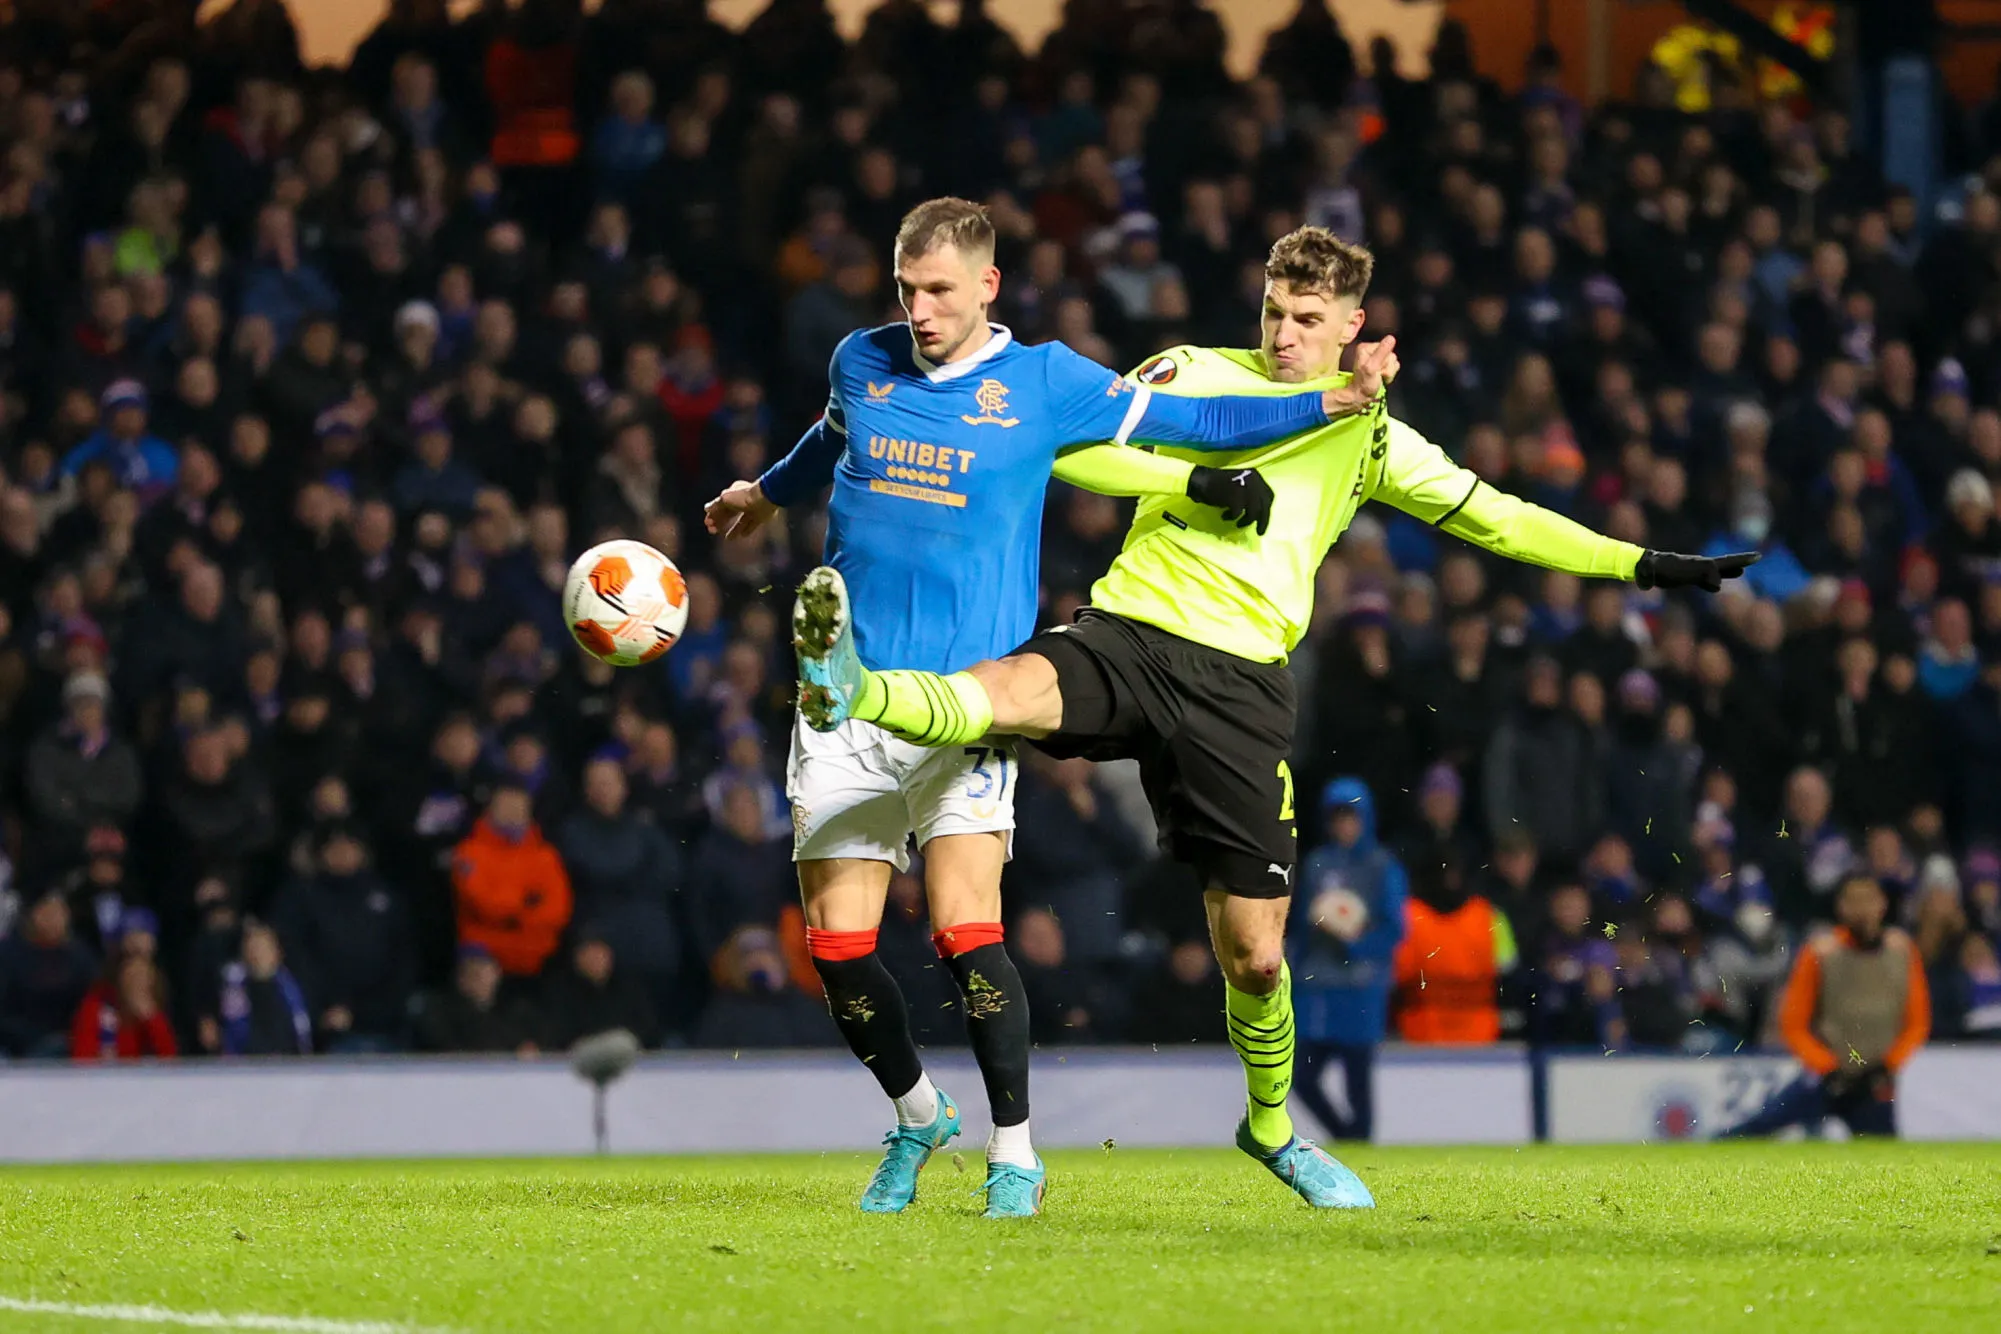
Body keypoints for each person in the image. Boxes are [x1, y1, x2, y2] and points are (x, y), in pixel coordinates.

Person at [808, 225, 1756, 1207]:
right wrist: (1191, 474)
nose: (1285, 334)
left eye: (1308, 319)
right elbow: (1070, 449)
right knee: (1004, 691)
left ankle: (1270, 1128)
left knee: (1256, 954)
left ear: (1351, 325)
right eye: (1274, 311)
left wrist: (1640, 563)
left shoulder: (1369, 432)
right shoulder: (1192, 371)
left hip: (1243, 690)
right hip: (1135, 627)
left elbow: (1499, 515)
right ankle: (856, 684)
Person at [702, 196, 1362, 1218]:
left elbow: (1205, 421)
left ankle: (1016, 1152)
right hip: (848, 706)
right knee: (839, 950)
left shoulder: (1046, 382)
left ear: (987, 287)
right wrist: (766, 491)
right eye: (906, 289)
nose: (919, 310)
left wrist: (1329, 404)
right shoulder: (859, 360)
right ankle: (919, 1114)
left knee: (969, 932)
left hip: (968, 702)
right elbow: (826, 438)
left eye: (938, 292)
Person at [1725, 875, 1931, 1138]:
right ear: (1840, 907)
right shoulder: (1821, 952)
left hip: (1875, 1080)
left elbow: (1917, 1022)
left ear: (1882, 904)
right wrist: (1827, 1066)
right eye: (1854, 900)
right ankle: (1711, 1151)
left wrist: (1889, 1065)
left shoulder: (1902, 951)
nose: (1862, 909)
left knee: (1884, 1158)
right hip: (1826, 1078)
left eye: (1868, 899)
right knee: (1760, 1126)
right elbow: (1793, 1023)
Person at [1290, 777, 1407, 1142]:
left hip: (1361, 986)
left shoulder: (1382, 866)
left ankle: (1358, 1145)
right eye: (1337, 817)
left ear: (1365, 818)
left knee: (1358, 1084)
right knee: (1301, 1078)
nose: (1344, 825)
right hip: (1319, 986)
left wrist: (1355, 943)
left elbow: (1394, 929)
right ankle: (1347, 1139)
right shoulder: (1318, 864)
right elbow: (1300, 924)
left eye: (1351, 816)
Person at [450, 784, 573, 982]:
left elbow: (557, 910)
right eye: (506, 808)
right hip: (486, 959)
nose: (512, 815)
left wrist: (515, 918)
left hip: (538, 957)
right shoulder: (469, 853)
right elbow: (484, 904)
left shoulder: (546, 856)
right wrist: (526, 902)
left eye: (519, 809)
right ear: (490, 810)